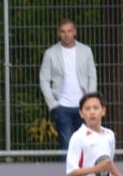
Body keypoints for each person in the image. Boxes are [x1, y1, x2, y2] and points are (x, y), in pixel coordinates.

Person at [39, 18, 97, 149]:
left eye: (69, 31)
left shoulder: (86, 50)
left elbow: (92, 76)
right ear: (58, 33)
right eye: (63, 32)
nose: (67, 35)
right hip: (62, 106)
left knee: (85, 144)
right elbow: (44, 79)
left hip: (83, 105)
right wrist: (53, 104)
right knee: (66, 144)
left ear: (75, 32)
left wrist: (90, 100)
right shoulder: (50, 53)